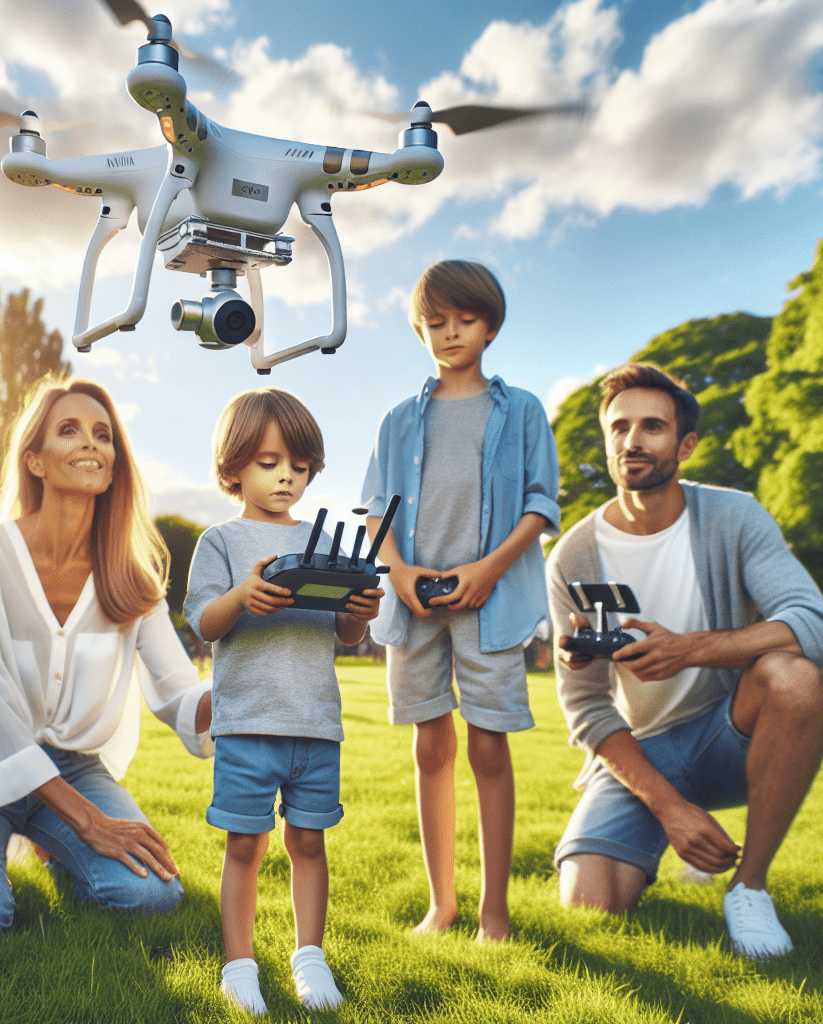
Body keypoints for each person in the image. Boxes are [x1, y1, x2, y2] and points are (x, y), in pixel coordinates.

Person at [0, 378, 213, 945]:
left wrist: (239, 686)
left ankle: (54, 848)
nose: (91, 443)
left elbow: (178, 693)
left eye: (103, 435)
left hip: (73, 769)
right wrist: (90, 823)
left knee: (152, 898)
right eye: (69, 430)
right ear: (35, 460)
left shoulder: (132, 579)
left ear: (113, 466)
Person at [547, 362, 823, 960]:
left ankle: (749, 887)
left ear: (686, 445)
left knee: (794, 675)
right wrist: (670, 809)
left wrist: (690, 649)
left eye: (652, 426)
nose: (632, 440)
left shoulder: (735, 517)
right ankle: (673, 828)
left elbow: (814, 627)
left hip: (730, 735)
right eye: (619, 427)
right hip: (642, 751)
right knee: (590, 903)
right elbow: (586, 708)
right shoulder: (572, 556)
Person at [360, 260, 560, 941]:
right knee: (430, 746)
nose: (450, 333)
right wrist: (398, 573)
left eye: (465, 320)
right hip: (414, 605)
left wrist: (489, 570)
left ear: (490, 327)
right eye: (435, 322)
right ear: (420, 330)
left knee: (489, 746)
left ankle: (492, 912)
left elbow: (540, 505)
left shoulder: (522, 410)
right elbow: (375, 511)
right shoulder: (396, 421)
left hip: (490, 603)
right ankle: (440, 904)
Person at [184, 387, 381, 1015]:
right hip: (246, 724)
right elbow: (204, 622)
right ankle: (239, 966)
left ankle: (309, 958)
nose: (286, 477)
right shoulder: (219, 541)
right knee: (245, 846)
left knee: (310, 844)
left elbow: (345, 634)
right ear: (234, 465)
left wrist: (361, 611)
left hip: (316, 725)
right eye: (269, 463)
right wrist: (243, 596)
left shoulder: (324, 545)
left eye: (298, 465)